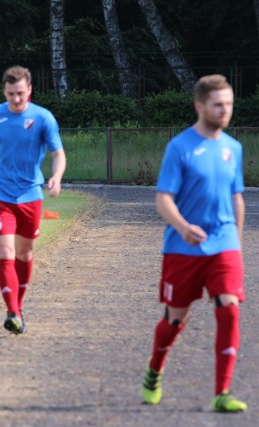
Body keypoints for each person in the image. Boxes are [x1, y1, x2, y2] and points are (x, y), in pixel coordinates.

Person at [141, 74, 247, 412]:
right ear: (199, 106)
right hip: (183, 248)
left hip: (224, 245)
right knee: (175, 319)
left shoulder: (234, 148)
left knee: (229, 309)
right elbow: (163, 200)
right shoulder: (180, 147)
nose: (225, 110)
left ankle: (222, 392)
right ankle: (154, 370)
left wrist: (237, 244)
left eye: (229, 104)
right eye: (218, 104)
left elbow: (237, 197)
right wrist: (184, 227)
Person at [0, 65, 66, 335]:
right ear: (4, 91)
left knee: (25, 253)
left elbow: (58, 154)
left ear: (29, 90)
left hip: (31, 195)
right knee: (5, 253)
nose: (16, 99)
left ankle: (18, 309)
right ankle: (11, 311)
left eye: (20, 93)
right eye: (11, 94)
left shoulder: (43, 118)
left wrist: (56, 177)